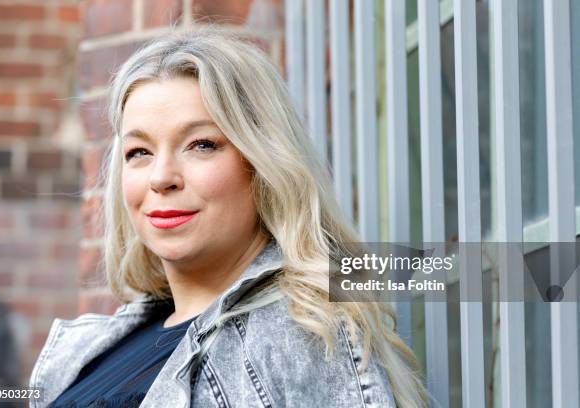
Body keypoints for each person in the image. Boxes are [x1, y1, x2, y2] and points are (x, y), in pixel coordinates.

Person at [29, 25, 428, 408]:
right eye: (140, 152)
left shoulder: (302, 331)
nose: (161, 177)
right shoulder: (94, 346)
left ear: (262, 164)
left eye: (201, 145)